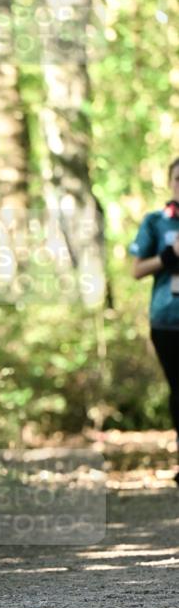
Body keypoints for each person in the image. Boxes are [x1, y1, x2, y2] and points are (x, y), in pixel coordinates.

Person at [129, 156, 179, 484]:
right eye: (178, 179)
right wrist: (168, 256)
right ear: (170, 182)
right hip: (167, 319)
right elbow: (136, 269)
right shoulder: (155, 222)